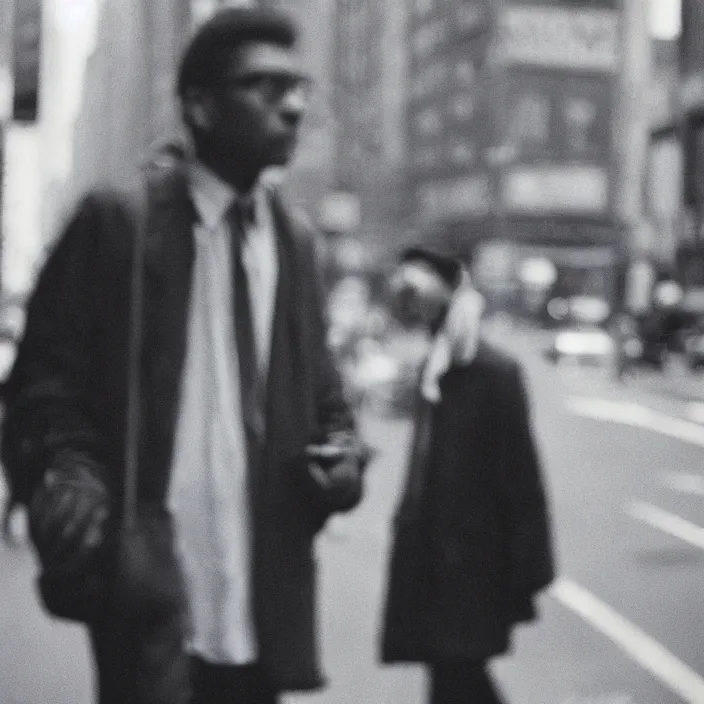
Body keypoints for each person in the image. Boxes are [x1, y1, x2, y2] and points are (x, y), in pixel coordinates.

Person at [1, 8, 367, 704]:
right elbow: (45, 383)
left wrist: (343, 457)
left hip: (262, 595)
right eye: (263, 87)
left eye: (298, 89)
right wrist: (71, 471)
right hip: (150, 593)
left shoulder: (295, 242)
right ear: (199, 106)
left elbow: (324, 396)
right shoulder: (118, 223)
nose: (292, 106)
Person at [380, 248, 555, 704]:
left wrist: (530, 564)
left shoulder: (492, 373)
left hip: (473, 564)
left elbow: (521, 475)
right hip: (433, 559)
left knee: (458, 676)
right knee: (451, 677)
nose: (411, 307)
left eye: (417, 293)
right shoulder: (436, 367)